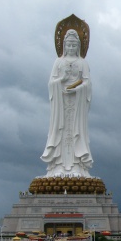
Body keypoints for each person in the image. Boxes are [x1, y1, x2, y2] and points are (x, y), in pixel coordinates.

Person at [41, 28, 93, 176]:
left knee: (76, 131)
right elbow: (51, 83)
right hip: (61, 103)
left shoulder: (83, 63)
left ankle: (77, 165)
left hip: (77, 104)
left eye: (74, 45)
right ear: (64, 46)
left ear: (79, 46)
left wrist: (78, 88)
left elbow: (88, 84)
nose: (71, 48)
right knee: (61, 131)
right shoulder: (58, 62)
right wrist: (61, 80)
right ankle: (58, 166)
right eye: (68, 45)